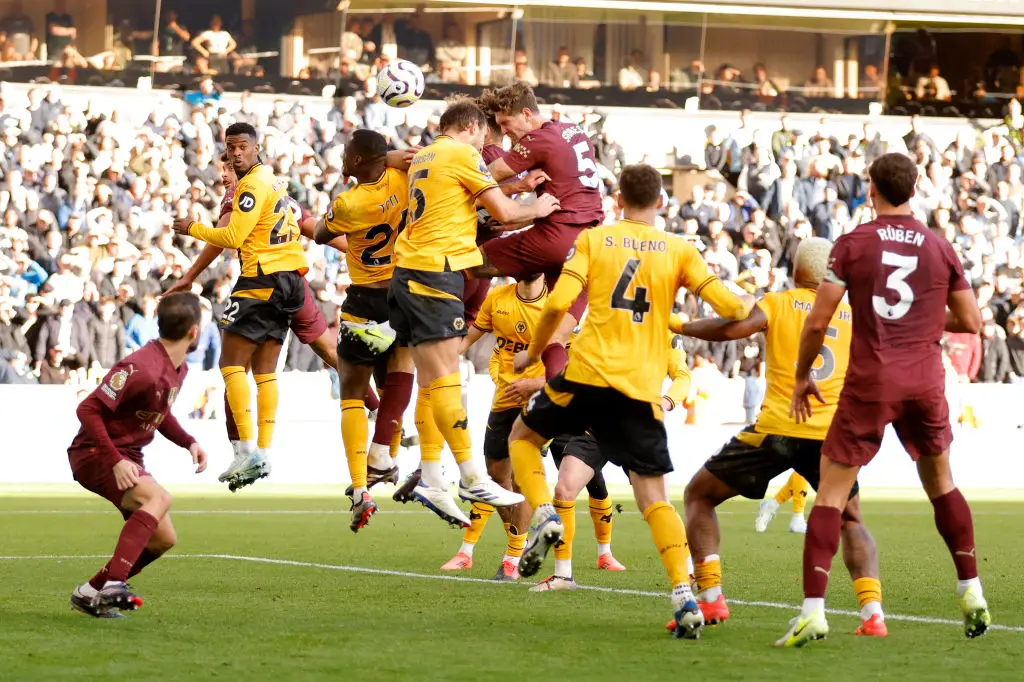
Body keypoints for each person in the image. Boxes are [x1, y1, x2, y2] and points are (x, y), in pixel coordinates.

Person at [507, 164, 747, 639]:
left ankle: (545, 516)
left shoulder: (597, 240)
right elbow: (734, 310)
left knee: (523, 438)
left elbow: (558, 304)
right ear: (660, 202)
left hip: (586, 376)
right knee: (654, 499)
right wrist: (675, 322)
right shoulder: (680, 250)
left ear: (617, 200)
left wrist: (533, 354)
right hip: (638, 391)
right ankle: (683, 595)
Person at [781, 153, 989, 646]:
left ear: (870, 187)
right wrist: (917, 318)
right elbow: (972, 322)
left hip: (871, 381)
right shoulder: (940, 247)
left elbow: (818, 319)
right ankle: (972, 590)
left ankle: (813, 610)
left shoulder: (853, 244)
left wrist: (802, 375)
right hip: (923, 382)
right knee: (942, 484)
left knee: (831, 493)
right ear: (915, 188)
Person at [678, 238, 886, 636]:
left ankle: (711, 597)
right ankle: (872, 614)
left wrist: (676, 324)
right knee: (851, 518)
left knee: (699, 495)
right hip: (830, 435)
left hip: (776, 429)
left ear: (794, 271)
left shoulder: (778, 302)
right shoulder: (854, 312)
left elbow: (730, 330)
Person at [387, 97, 558, 527]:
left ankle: (430, 476)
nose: (487, 144)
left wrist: (514, 190)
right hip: (436, 273)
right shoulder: (463, 152)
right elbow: (501, 212)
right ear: (471, 128)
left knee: (431, 381)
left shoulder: (425, 154)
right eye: (486, 134)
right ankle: (470, 475)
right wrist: (535, 210)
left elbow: (464, 207)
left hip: (407, 271)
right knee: (446, 379)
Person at [172, 122, 308, 491]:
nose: (234, 154)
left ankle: (247, 449)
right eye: (230, 148)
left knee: (230, 364)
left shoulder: (251, 185)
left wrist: (192, 227)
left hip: (262, 277)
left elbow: (232, 236)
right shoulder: (275, 181)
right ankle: (262, 451)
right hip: (290, 279)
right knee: (265, 372)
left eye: (240, 147)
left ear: (256, 147)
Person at [67, 293, 209, 618]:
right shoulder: (139, 367)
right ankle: (115, 583)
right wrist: (116, 460)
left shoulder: (178, 367)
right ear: (194, 332)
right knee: (160, 498)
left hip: (126, 456)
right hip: (95, 453)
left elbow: (159, 413)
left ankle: (90, 593)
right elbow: (87, 408)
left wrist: (189, 442)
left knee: (163, 539)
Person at [531, 330, 691, 592]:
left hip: (639, 427)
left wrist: (666, 401)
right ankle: (563, 576)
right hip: (598, 425)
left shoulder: (663, 331)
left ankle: (690, 571)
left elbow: (682, 377)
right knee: (564, 488)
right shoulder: (602, 324)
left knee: (657, 503)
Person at [313, 129, 415, 532]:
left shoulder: (348, 202)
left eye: (344, 153)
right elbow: (402, 159)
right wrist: (390, 157)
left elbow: (321, 234)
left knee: (352, 396)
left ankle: (360, 487)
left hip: (364, 300)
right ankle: (385, 455)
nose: (340, 156)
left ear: (356, 162)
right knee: (400, 375)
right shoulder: (403, 180)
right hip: (403, 295)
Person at [476, 83, 604, 381]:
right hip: (590, 247)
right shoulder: (575, 131)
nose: (505, 132)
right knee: (554, 338)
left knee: (464, 263)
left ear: (525, 114)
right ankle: (562, 407)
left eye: (506, 124)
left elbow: (488, 174)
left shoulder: (538, 139)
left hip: (556, 238)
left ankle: (407, 320)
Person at [440, 274, 547, 580]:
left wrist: (535, 383)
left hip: (539, 399)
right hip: (503, 397)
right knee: (497, 478)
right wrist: (435, 355)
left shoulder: (556, 306)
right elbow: (468, 338)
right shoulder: (498, 298)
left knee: (524, 475)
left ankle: (513, 556)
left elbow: (571, 363)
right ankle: (520, 540)